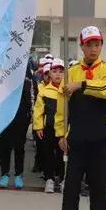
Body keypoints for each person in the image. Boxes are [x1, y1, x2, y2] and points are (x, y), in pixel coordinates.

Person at [58, 26, 106, 210]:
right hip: (76, 137)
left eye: (97, 44)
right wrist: (60, 134)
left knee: (98, 184)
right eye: (89, 44)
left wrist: (82, 85)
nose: (94, 49)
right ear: (82, 46)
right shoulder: (70, 72)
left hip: (99, 137)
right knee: (72, 183)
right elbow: (61, 106)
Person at [0, 63, 35, 190]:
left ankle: (19, 175)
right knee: (5, 147)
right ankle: (4, 174)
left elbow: (31, 101)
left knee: (19, 148)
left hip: (21, 120)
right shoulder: (2, 81)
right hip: (5, 119)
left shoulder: (27, 83)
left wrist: (29, 117)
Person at [33, 58, 66, 194]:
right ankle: (49, 179)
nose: (58, 74)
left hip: (64, 130)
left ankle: (63, 179)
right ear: (49, 74)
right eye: (54, 71)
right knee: (48, 154)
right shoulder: (44, 91)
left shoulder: (68, 91)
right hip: (48, 128)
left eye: (61, 72)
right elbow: (38, 111)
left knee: (63, 155)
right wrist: (38, 127)